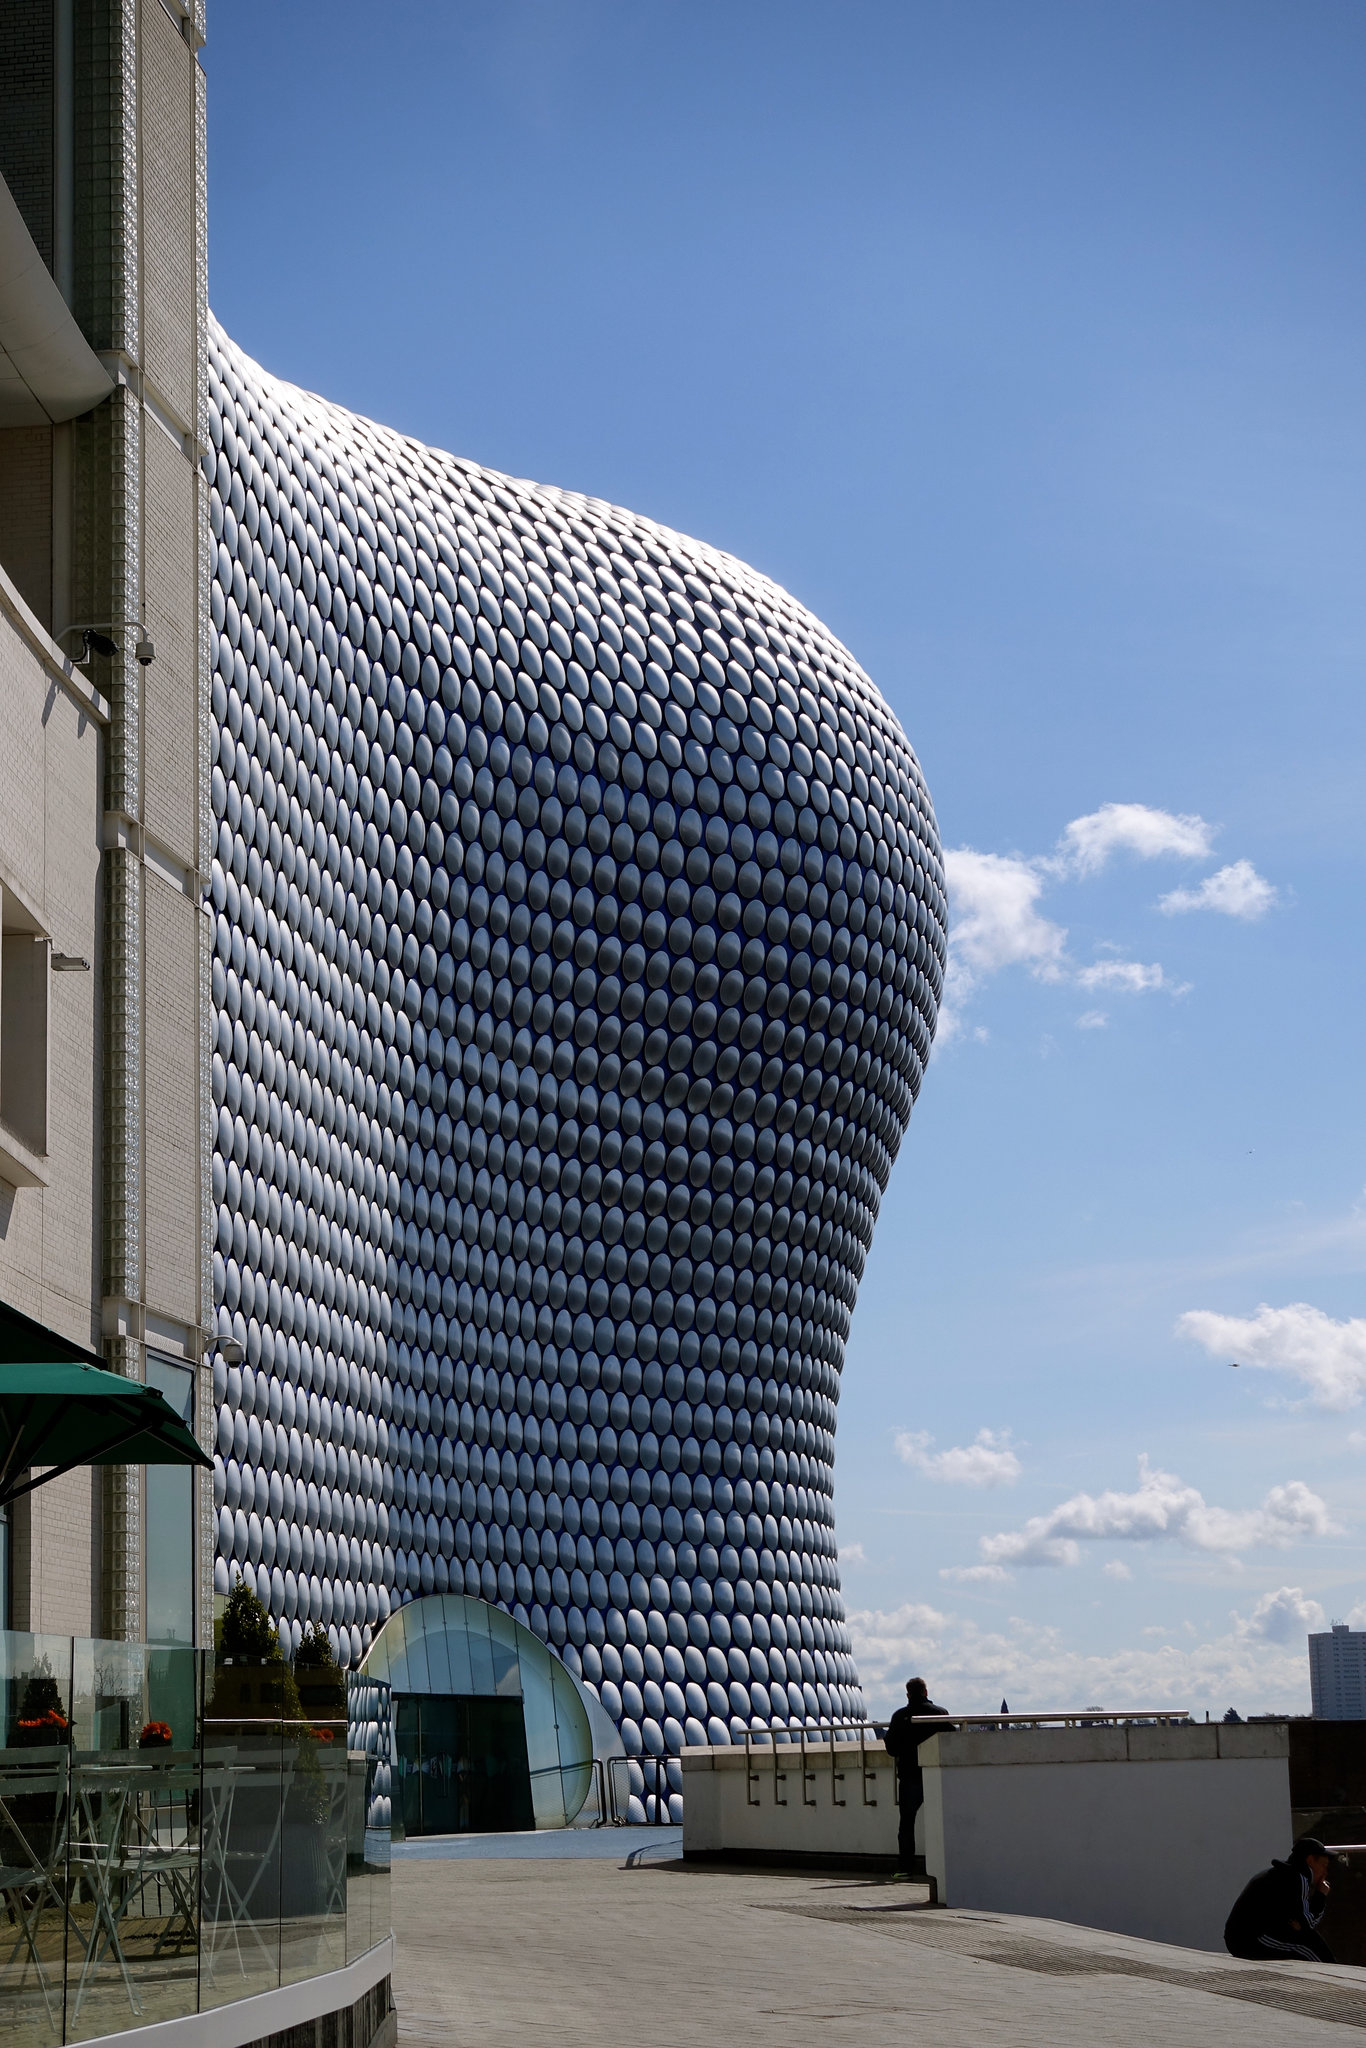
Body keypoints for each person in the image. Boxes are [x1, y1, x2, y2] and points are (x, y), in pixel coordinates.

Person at [1224, 1837, 1337, 1962]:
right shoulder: (1299, 1878)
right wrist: (1321, 1895)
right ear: (1310, 1860)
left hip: (1238, 1940)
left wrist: (1299, 1925)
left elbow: (1300, 1923)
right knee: (1309, 1948)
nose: (1325, 1872)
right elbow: (1308, 1924)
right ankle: (1338, 1977)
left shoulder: (1283, 1874)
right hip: (1250, 1941)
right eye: (1323, 1865)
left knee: (1310, 1941)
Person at [882, 1677, 950, 1876]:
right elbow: (951, 1741)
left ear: (908, 1694)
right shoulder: (940, 1714)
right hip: (937, 1775)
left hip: (910, 1775)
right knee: (945, 1819)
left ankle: (905, 1868)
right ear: (926, 1692)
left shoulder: (900, 1716)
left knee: (907, 1823)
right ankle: (945, 1867)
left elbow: (891, 1748)